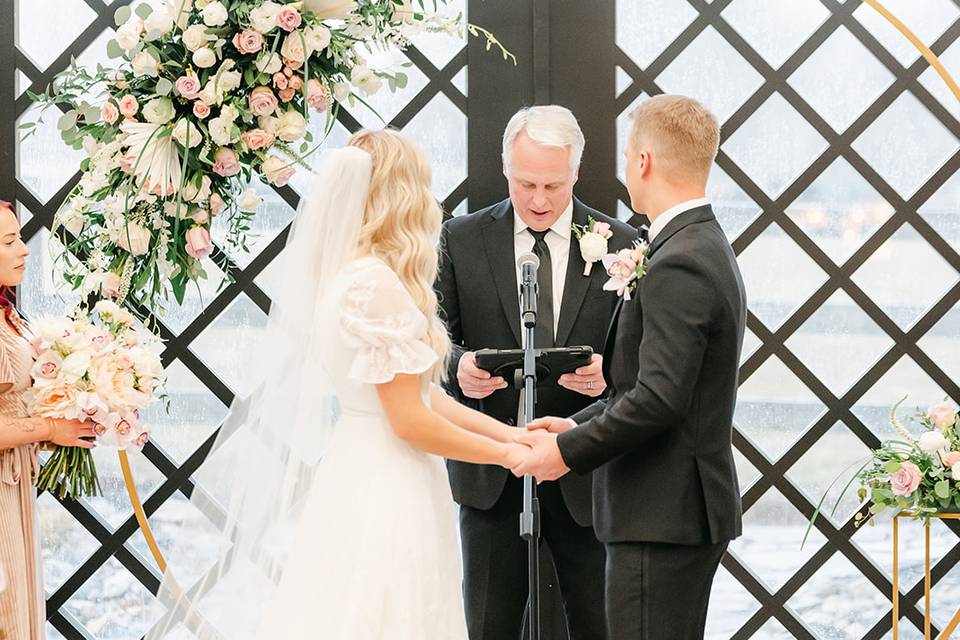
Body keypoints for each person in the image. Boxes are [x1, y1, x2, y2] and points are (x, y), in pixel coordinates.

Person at [147, 131, 530, 639]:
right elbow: (411, 421)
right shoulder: (373, 284)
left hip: (362, 464)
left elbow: (422, 394)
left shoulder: (349, 275)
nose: (431, 200)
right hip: (388, 477)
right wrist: (511, 459)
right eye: (422, 185)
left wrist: (512, 436)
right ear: (400, 195)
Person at [517, 95, 747, 640]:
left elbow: (659, 399)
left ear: (642, 161)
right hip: (669, 513)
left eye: (626, 156)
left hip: (661, 514)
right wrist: (577, 423)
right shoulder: (697, 243)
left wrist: (566, 453)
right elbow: (646, 387)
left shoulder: (681, 260)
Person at [437, 105, 635, 640]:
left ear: (576, 172)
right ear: (505, 168)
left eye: (554, 184)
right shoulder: (460, 238)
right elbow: (432, 341)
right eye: (527, 184)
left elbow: (644, 365)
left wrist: (607, 375)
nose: (540, 200)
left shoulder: (622, 244)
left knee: (602, 627)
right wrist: (459, 368)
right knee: (488, 627)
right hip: (491, 477)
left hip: (587, 474)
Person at [0, 200, 95, 640]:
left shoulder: (6, 314)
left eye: (19, 237)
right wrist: (52, 428)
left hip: (12, 481)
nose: (24, 250)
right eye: (8, 241)